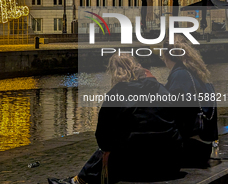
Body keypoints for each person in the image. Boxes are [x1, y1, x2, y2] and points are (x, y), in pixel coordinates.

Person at [48, 54, 183, 184]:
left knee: (109, 148)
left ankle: (79, 181)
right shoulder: (161, 89)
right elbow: (176, 119)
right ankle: (79, 180)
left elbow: (102, 137)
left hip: (136, 167)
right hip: (170, 161)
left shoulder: (117, 94)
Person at [162, 35, 218, 167]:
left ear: (165, 55)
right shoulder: (198, 73)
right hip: (205, 145)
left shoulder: (180, 75)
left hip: (190, 147)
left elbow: (175, 114)